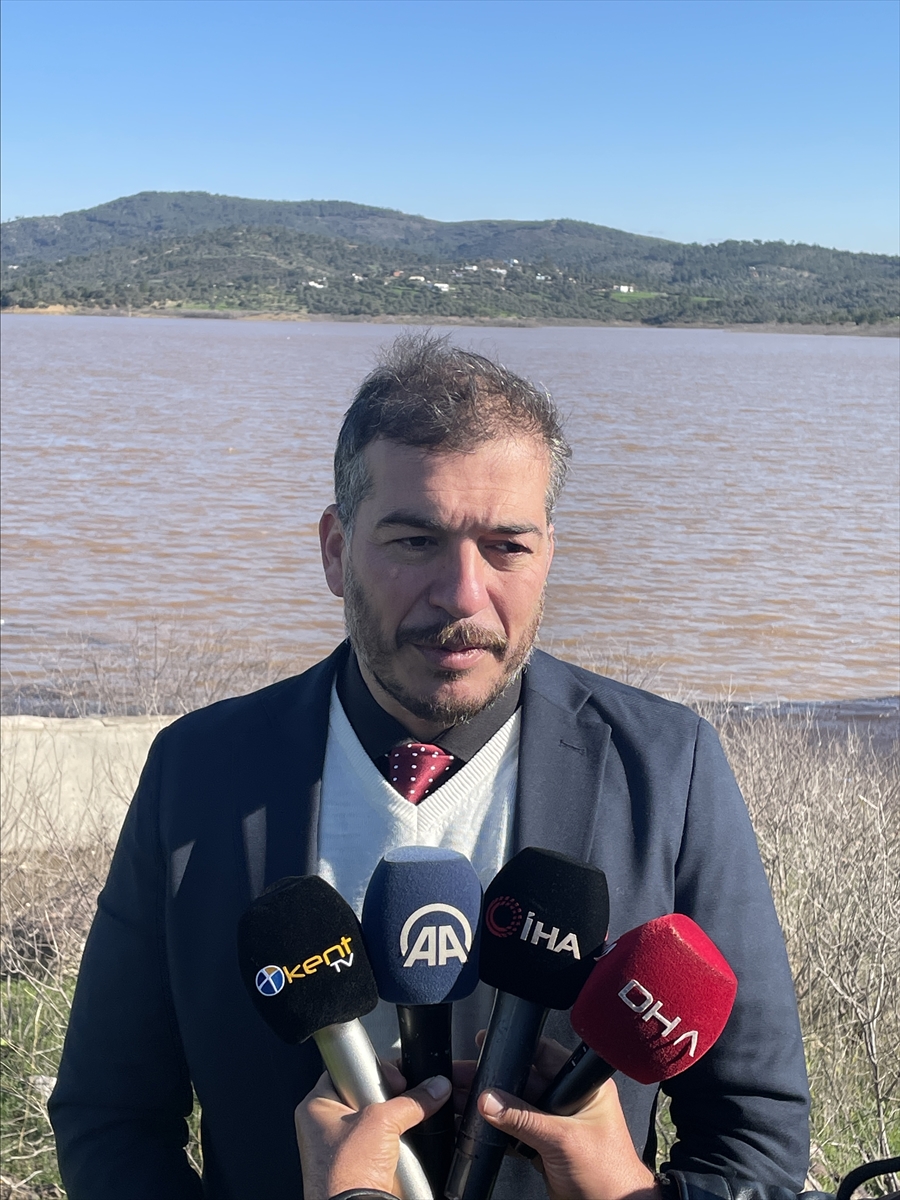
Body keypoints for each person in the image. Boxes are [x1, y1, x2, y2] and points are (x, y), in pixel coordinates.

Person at [49, 334, 810, 1198]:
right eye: (415, 540)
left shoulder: (668, 769)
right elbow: (110, 1118)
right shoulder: (199, 771)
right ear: (335, 550)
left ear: (549, 555)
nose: (462, 593)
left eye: (507, 547)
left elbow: (756, 1136)